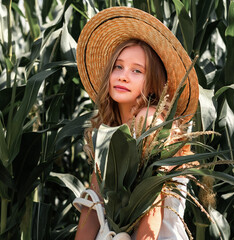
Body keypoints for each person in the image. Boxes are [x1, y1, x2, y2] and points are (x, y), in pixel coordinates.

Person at [74, 7, 199, 240]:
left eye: (137, 70)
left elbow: (151, 209)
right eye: (118, 66)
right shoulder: (108, 129)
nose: (123, 76)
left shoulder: (150, 122)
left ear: (153, 85)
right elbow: (94, 198)